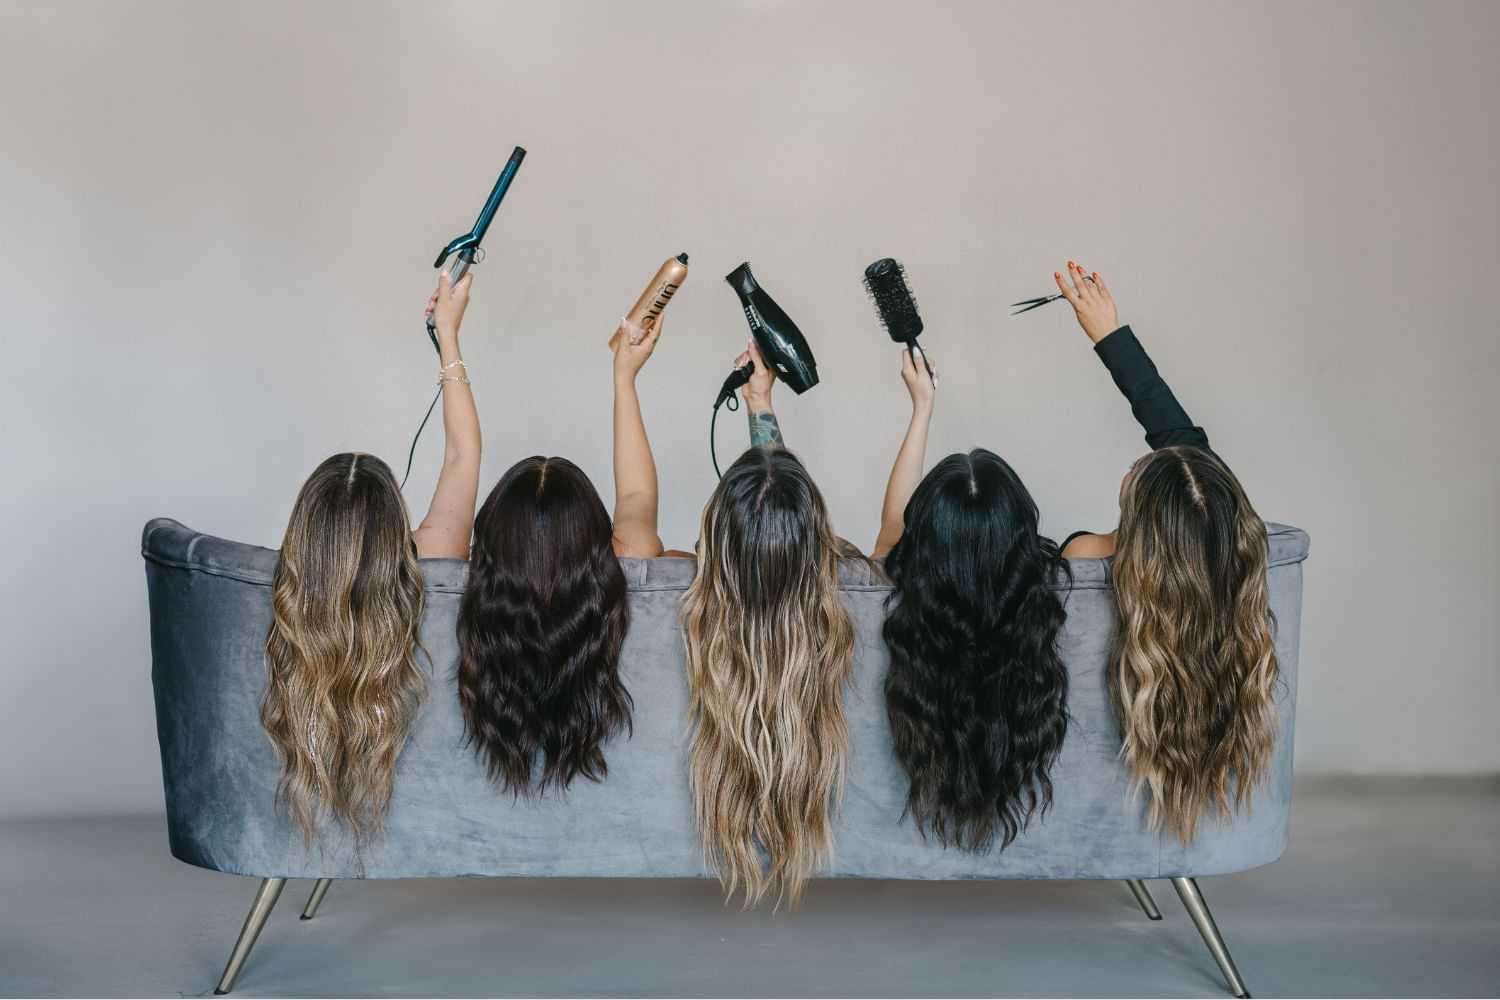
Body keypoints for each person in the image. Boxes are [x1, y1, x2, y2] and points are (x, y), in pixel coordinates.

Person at [1053, 261, 1279, 843]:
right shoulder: (1228, 551)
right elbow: (1182, 445)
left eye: (1139, 476)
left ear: (1146, 531)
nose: (1137, 461)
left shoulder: (1085, 557)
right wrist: (1110, 334)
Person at [261, 270, 482, 843]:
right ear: (393, 527)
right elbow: (464, 457)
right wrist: (450, 337)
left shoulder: (282, 605)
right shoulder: (433, 564)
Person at [456, 315, 677, 796]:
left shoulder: (444, 571)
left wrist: (448, 338)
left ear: (489, 543)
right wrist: (625, 378)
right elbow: (637, 497)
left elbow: (460, 458)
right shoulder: (632, 564)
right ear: (596, 536)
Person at [680, 339, 856, 906]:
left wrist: (624, 377)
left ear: (717, 536)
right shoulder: (856, 602)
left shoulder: (687, 614)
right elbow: (784, 521)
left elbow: (768, 518)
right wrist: (761, 405)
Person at [872, 347, 1070, 852]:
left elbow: (891, 536)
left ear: (925, 542)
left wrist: (921, 411)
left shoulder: (895, 601)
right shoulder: (1057, 596)